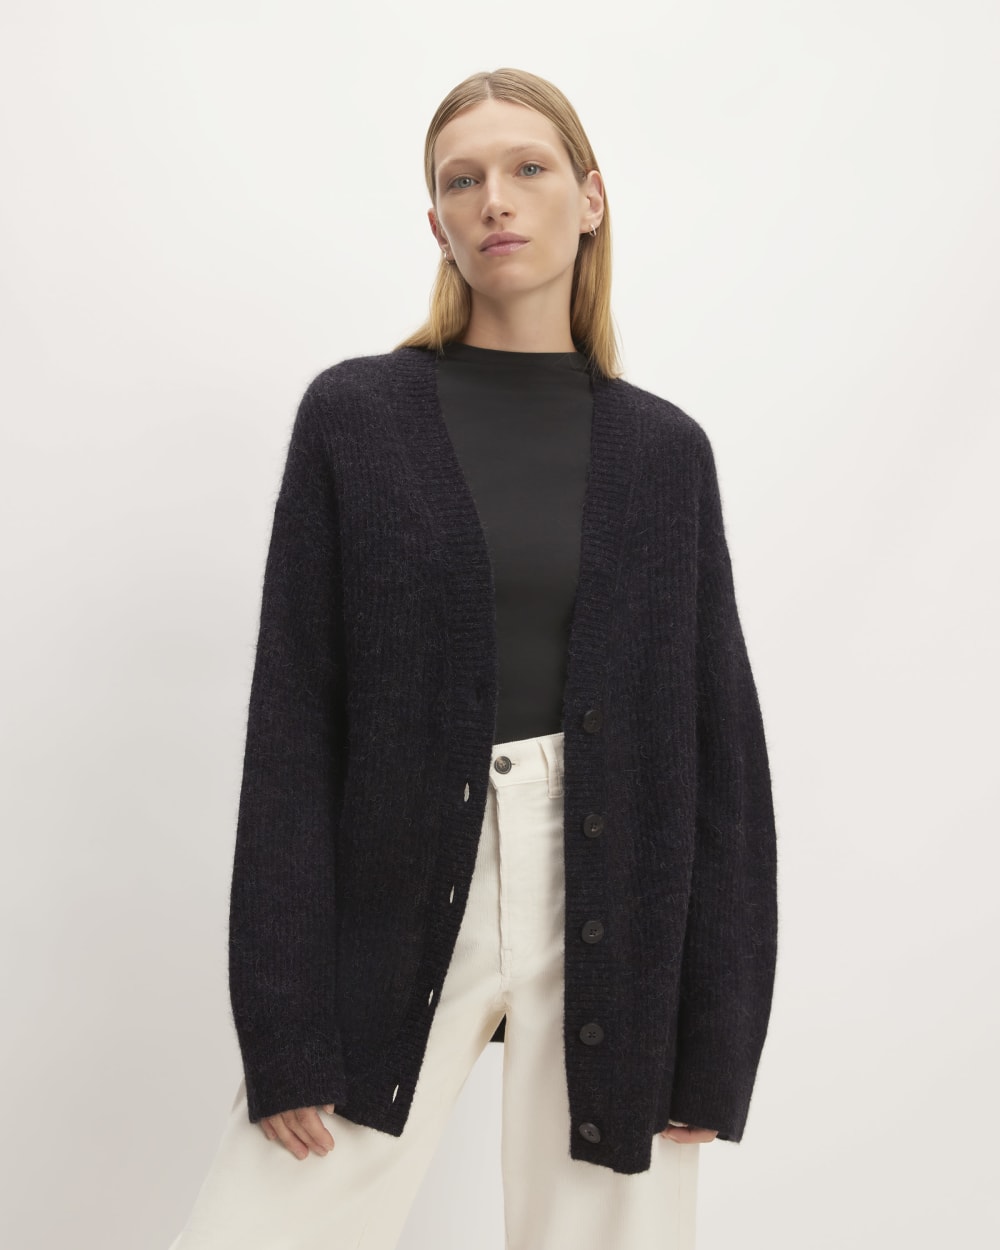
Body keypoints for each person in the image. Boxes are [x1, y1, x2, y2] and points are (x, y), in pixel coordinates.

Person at [167, 66, 778, 1250]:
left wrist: (714, 1038)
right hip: (396, 871)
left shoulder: (665, 453)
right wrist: (283, 1025)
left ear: (589, 199)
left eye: (526, 167)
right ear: (436, 221)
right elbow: (293, 725)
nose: (493, 198)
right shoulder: (355, 418)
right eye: (462, 180)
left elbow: (721, 760)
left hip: (616, 891)